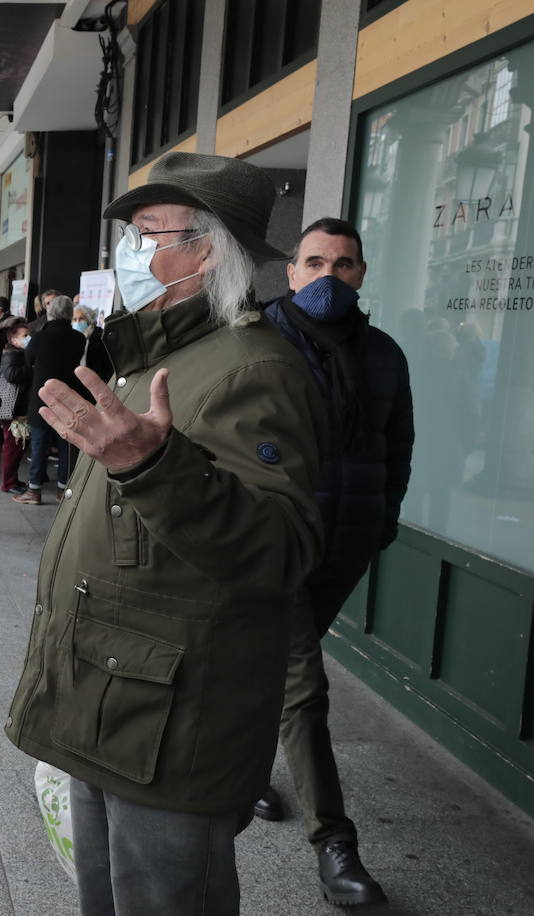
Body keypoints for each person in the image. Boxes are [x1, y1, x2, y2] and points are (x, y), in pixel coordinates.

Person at [5, 151, 327, 915]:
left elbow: (282, 547)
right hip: (105, 698)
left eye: (151, 233)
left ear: (209, 249)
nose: (131, 252)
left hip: (172, 721)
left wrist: (154, 466)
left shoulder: (252, 368)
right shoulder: (153, 356)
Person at [257, 217, 414, 906]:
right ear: (290, 272)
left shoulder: (382, 354)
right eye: (315, 262)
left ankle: (238, 764)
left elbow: (397, 446)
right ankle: (335, 844)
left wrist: (381, 520)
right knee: (304, 686)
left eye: (344, 264)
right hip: (272, 545)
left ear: (361, 274)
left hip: (345, 543)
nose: (329, 276)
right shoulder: (257, 344)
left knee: (270, 670)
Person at [12, 294, 84, 504]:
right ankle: (63, 489)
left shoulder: (39, 337)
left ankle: (34, 490)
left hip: (42, 397)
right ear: (70, 314)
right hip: (68, 396)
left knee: (39, 445)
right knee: (65, 444)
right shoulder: (78, 339)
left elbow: (29, 360)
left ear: (50, 313)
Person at [0, 318, 30, 494]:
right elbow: (12, 375)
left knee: (16, 446)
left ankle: (12, 480)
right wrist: (32, 368)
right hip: (12, 409)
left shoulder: (18, 354)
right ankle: (8, 482)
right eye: (25, 335)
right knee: (12, 446)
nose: (29, 338)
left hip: (16, 408)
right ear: (13, 340)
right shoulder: (12, 355)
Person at [74, 303, 114, 382]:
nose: (77, 322)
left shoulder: (100, 337)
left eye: (81, 319)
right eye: (74, 319)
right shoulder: (74, 339)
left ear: (89, 320)